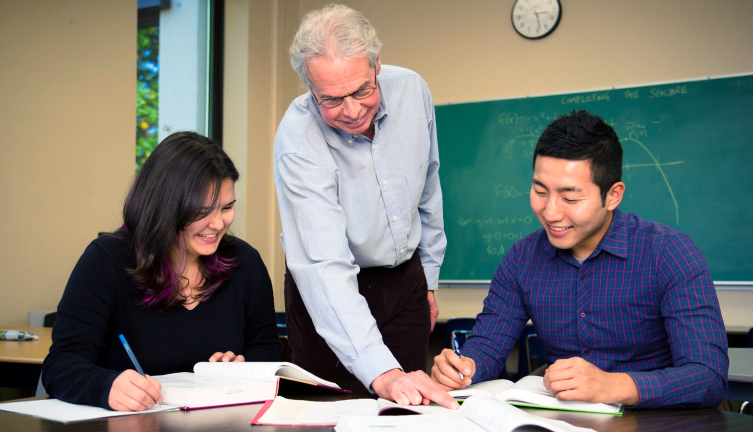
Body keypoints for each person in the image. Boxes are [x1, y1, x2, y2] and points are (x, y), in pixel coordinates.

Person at [431, 110, 729, 409]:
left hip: (656, 420)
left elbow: (708, 377)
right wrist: (463, 368)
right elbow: (488, 345)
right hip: (560, 419)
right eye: (539, 191)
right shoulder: (522, 259)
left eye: (570, 198)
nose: (550, 213)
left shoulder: (669, 253)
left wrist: (616, 386)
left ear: (613, 195)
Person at [273, 4, 454, 408]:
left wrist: (427, 277)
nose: (352, 110)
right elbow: (324, 268)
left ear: (376, 65)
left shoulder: (412, 91)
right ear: (308, 88)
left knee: (409, 409)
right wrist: (381, 373)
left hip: (405, 280)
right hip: (327, 292)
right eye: (331, 100)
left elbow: (428, 188)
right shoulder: (298, 143)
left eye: (362, 90)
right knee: (331, 415)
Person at [42, 132, 281, 411]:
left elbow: (268, 353)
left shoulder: (245, 263)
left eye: (227, 207)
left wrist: (242, 368)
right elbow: (61, 365)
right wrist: (106, 387)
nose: (217, 223)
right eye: (202, 212)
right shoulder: (106, 260)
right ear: (165, 208)